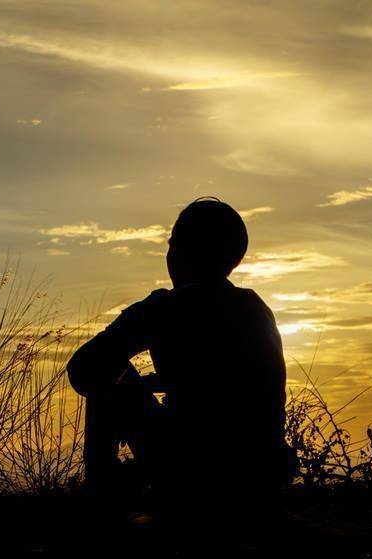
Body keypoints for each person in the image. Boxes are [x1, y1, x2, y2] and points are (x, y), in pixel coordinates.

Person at [67, 197, 290, 506]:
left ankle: (104, 501)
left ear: (182, 251)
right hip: (262, 477)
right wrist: (165, 381)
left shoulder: (165, 307)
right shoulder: (257, 309)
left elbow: (83, 367)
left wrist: (133, 384)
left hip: (190, 473)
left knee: (109, 372)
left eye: (172, 244)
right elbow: (224, 379)